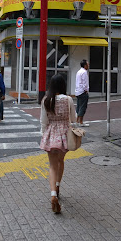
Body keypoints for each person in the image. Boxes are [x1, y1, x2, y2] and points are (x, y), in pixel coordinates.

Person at [40, 74, 76, 214]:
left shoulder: (46, 100)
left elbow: (44, 121)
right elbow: (73, 117)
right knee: (61, 161)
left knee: (52, 166)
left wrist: (44, 135)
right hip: (64, 135)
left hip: (50, 134)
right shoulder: (68, 100)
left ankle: (53, 194)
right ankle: (58, 185)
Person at [75, 59, 90, 127]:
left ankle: (77, 121)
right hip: (82, 91)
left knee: (78, 106)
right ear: (85, 65)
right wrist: (86, 90)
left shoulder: (78, 72)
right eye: (87, 64)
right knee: (83, 107)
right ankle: (81, 122)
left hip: (78, 91)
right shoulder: (84, 72)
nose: (88, 65)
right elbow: (85, 83)